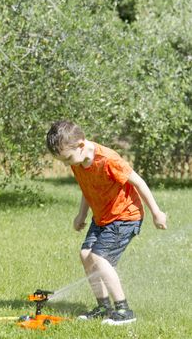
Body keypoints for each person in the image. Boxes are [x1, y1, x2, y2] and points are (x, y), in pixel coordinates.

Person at [46, 120, 167, 325]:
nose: (67, 164)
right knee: (86, 255)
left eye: (67, 159)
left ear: (81, 145)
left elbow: (139, 182)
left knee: (100, 258)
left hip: (125, 216)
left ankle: (124, 311)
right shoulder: (78, 161)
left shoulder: (108, 159)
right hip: (102, 217)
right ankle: (103, 307)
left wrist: (156, 212)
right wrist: (81, 215)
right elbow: (87, 189)